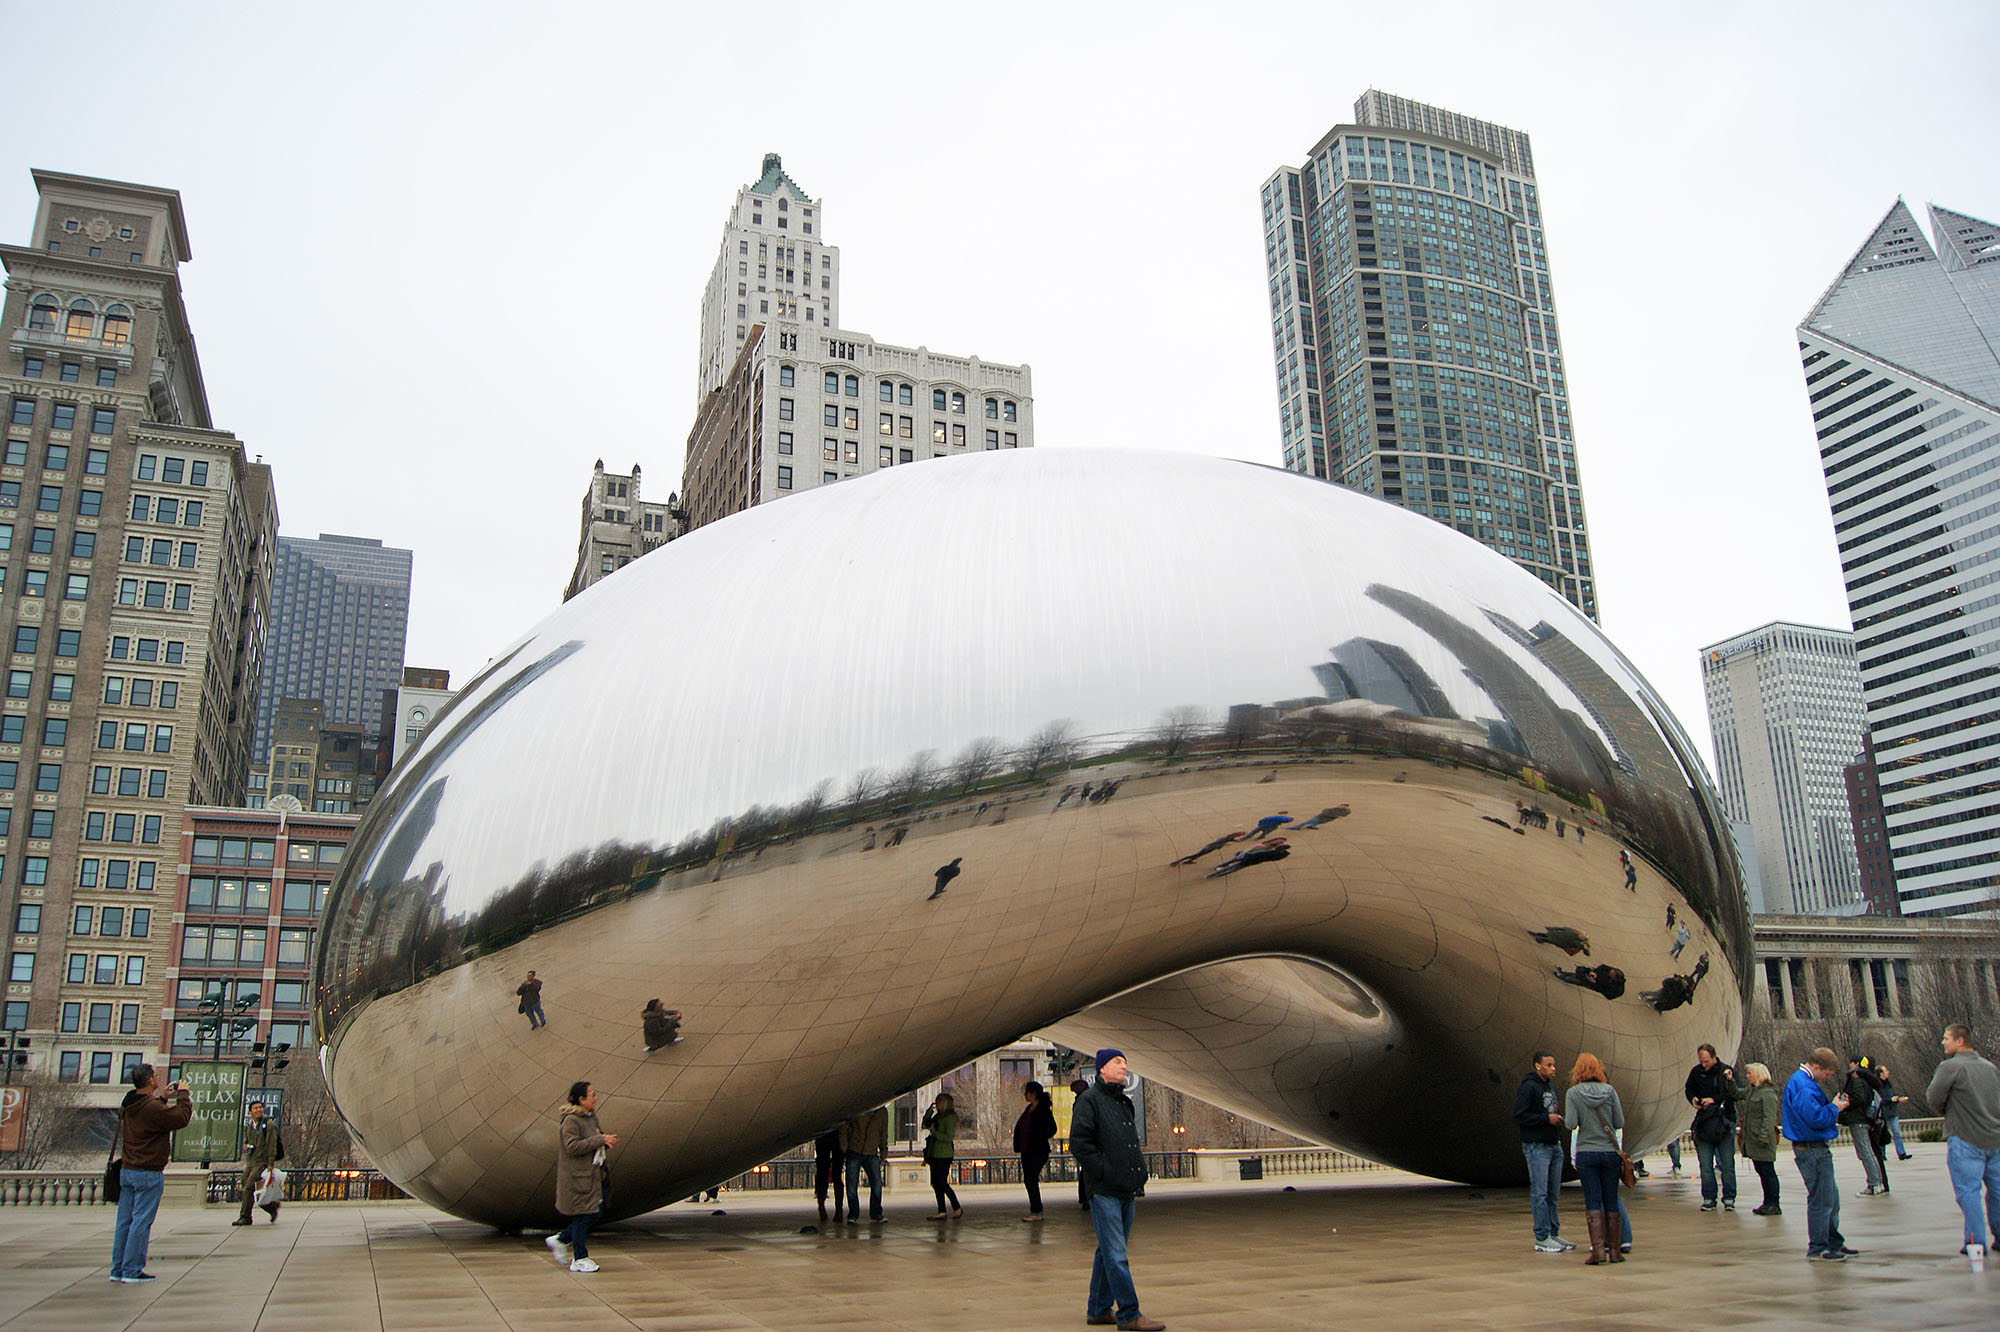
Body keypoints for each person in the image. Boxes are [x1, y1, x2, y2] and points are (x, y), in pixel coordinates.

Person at [1070, 1050, 1163, 1330]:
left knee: (1107, 1251)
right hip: (1105, 1189)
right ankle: (1129, 1313)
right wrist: (1104, 1171)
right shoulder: (1089, 1101)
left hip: (1126, 1187)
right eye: (1117, 1062)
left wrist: (1139, 1172)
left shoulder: (1123, 1101)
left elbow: (1129, 1142)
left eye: (1124, 1062)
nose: (1124, 1067)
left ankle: (1098, 1309)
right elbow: (1080, 1143)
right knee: (1116, 1254)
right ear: (1102, 1069)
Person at [110, 1064, 192, 1283]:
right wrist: (183, 1095)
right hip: (147, 1171)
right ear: (149, 1081)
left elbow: (150, 1119)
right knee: (141, 1222)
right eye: (155, 1076)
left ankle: (118, 1269)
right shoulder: (151, 1108)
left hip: (128, 1170)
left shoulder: (130, 1104)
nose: (158, 1078)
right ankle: (132, 1270)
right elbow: (180, 1118)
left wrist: (163, 1099)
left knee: (124, 1222)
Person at [1926, 1024, 2000, 1258]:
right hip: (1994, 1138)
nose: (1942, 1042)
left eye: (1946, 1038)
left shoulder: (1950, 1067)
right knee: (1997, 1191)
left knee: (1968, 1192)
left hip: (1965, 1138)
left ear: (1960, 1041)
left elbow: (1934, 1098)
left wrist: (1949, 1112)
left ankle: (1975, 1241)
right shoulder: (1990, 1068)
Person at [1782, 1047, 1854, 1261]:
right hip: (1812, 1149)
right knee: (1822, 1199)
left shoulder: (1801, 1083)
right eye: (1827, 1074)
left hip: (1812, 1148)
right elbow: (1815, 1118)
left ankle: (1832, 1242)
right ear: (1817, 1067)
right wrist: (1834, 1108)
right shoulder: (1804, 1086)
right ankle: (1818, 1247)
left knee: (1830, 1198)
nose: (1826, 1079)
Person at [547, 1080, 618, 1273]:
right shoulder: (571, 1120)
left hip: (594, 1174)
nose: (595, 1099)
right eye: (592, 1095)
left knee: (595, 1212)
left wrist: (605, 1141)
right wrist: (599, 1140)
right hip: (578, 1178)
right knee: (583, 1216)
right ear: (581, 1099)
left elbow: (593, 1140)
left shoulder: (589, 1117)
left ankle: (561, 1239)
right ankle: (579, 1258)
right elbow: (572, 1146)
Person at [1562, 1052, 1625, 1265]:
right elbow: (1618, 1121)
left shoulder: (1573, 1093)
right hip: (1609, 1152)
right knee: (1611, 1199)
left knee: (1592, 1199)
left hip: (1587, 1152)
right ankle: (1615, 1251)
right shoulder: (1610, 1092)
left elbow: (1571, 1124)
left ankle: (1598, 1250)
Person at [1513, 1051, 1572, 1253]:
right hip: (1537, 1146)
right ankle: (1542, 1237)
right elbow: (1520, 1115)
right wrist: (1546, 1120)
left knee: (1552, 1193)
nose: (1553, 1068)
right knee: (1540, 1193)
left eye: (1553, 1065)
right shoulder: (1529, 1087)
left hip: (1554, 1145)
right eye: (1548, 1065)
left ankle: (1553, 1233)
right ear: (1537, 1066)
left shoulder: (1551, 1087)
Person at [1684, 1043, 1742, 1211]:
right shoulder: (1696, 1072)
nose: (1704, 1065)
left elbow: (1734, 1093)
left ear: (1714, 1057)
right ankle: (1709, 1197)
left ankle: (1729, 1196)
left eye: (1707, 1061)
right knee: (1705, 1165)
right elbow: (1689, 1089)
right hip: (1704, 1122)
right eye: (1701, 1061)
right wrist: (1694, 1099)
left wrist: (1714, 1099)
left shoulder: (1726, 1071)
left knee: (1727, 1164)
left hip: (1723, 1122)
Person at [1840, 1055, 1889, 1196]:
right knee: (1869, 1152)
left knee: (1865, 1152)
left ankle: (1874, 1184)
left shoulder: (1857, 1079)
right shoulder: (1868, 1079)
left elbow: (1859, 1098)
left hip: (1858, 1120)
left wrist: (1847, 1102)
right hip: (1865, 1119)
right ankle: (1878, 1183)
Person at [1738, 1063, 1782, 1215]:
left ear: (1758, 1074)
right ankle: (1767, 1202)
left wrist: (1763, 1136)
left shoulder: (1768, 1094)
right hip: (1753, 1140)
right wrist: (1730, 1081)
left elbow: (1769, 1118)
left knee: (1768, 1172)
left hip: (1762, 1140)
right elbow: (1737, 1094)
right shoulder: (1753, 1091)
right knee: (1762, 1171)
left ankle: (1774, 1203)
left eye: (1750, 1073)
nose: (1747, 1076)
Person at [232, 1099, 284, 1226]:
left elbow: (271, 1145)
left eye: (260, 1107)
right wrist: (246, 1146)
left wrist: (270, 1163)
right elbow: (249, 1141)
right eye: (255, 1108)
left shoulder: (269, 1125)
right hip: (251, 1161)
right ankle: (271, 1207)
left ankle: (245, 1216)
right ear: (250, 1112)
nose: (258, 1110)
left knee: (249, 1187)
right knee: (245, 1184)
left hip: (262, 1161)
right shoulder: (249, 1125)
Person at [1015, 1080, 1058, 1221]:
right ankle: (1035, 1209)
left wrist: (1038, 1135)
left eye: (1027, 1092)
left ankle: (1036, 1210)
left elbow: (1052, 1129)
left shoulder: (1043, 1110)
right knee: (1029, 1179)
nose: (1025, 1095)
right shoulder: (1029, 1109)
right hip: (1026, 1149)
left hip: (1038, 1150)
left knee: (1031, 1178)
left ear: (1033, 1094)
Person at [840, 1104, 889, 1223]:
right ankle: (853, 1214)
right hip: (854, 1150)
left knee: (877, 1183)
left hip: (871, 1152)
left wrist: (883, 1151)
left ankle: (876, 1213)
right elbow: (845, 1126)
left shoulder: (882, 1113)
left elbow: (883, 1133)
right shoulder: (858, 1107)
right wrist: (844, 1146)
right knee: (851, 1184)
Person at [921, 1093, 962, 1219]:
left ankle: (956, 1207)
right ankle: (941, 1210)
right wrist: (929, 1111)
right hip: (934, 1153)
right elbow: (925, 1124)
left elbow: (947, 1137)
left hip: (944, 1154)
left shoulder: (950, 1118)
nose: (937, 1104)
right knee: (936, 1183)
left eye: (940, 1102)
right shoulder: (937, 1116)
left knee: (942, 1182)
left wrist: (934, 1132)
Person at [1877, 1063, 1912, 1160]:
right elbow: (1879, 1100)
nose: (1888, 1072)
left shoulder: (1889, 1084)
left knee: (1897, 1133)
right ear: (1881, 1074)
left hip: (1892, 1112)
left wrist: (1897, 1100)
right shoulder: (1878, 1085)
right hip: (1883, 1113)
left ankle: (1902, 1153)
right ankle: (1881, 1154)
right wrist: (1890, 1100)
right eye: (1885, 1071)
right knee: (1882, 1134)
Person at [813, 1127, 844, 1225]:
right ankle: (837, 1210)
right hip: (834, 1138)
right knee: (832, 1175)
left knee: (824, 1174)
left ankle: (823, 1207)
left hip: (825, 1137)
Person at [1170, 831, 1244, 866]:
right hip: (1209, 848)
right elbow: (1219, 844)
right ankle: (1178, 862)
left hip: (1209, 847)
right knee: (1196, 855)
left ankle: (1188, 861)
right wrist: (1221, 845)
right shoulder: (1225, 839)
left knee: (1197, 855)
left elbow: (1232, 840)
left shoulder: (1227, 838)